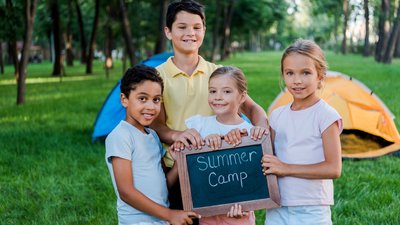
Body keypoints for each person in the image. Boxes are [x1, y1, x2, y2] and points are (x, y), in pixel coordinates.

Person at [151, 0, 268, 212]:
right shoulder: (157, 77)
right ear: (168, 32)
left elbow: (253, 109)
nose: (190, 33)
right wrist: (178, 136)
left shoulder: (219, 72)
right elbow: (157, 125)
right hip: (179, 167)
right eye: (182, 27)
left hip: (221, 166)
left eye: (197, 27)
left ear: (204, 30)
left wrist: (260, 137)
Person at [171, 66, 267, 225]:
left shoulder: (250, 134)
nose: (218, 97)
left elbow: (256, 177)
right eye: (213, 91)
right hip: (206, 214)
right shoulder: (199, 126)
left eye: (227, 91)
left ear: (242, 96)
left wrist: (247, 204)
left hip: (239, 215)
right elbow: (190, 166)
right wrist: (196, 147)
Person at [105, 64, 199, 225]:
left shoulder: (153, 136)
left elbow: (164, 183)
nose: (150, 106)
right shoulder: (120, 136)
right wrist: (170, 214)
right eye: (142, 98)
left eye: (156, 100)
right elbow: (126, 192)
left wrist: (178, 163)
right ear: (124, 99)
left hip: (161, 221)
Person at [261, 39, 342, 225]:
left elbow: (333, 168)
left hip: (311, 209)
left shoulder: (326, 116)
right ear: (283, 75)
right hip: (277, 206)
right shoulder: (276, 116)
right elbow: (267, 159)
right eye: (290, 73)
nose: (297, 80)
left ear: (320, 76)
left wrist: (286, 168)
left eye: (306, 73)